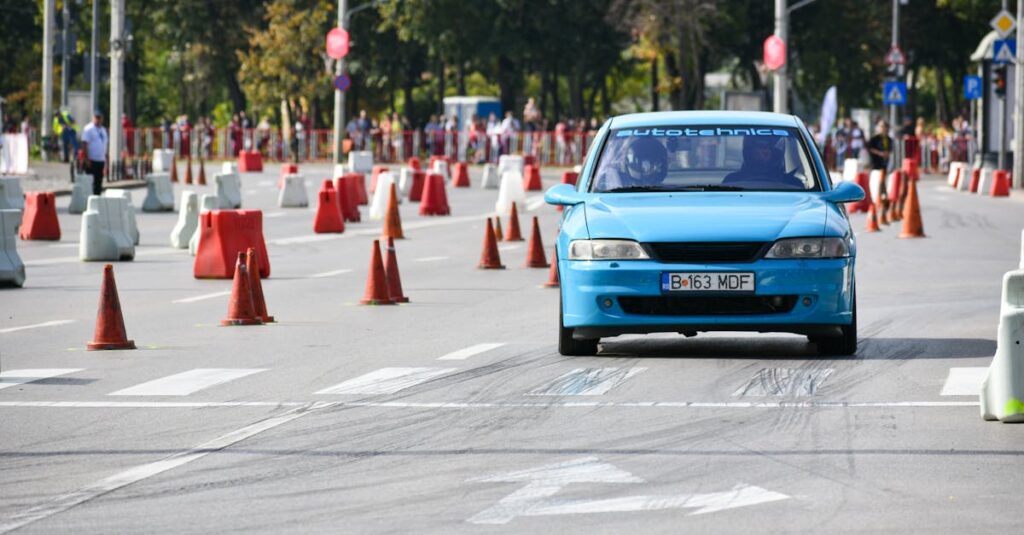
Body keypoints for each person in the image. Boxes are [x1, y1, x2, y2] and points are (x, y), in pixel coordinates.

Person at [723, 135, 805, 189]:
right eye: (758, 150)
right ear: (748, 153)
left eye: (766, 150)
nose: (762, 154)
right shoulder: (731, 181)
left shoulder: (794, 184)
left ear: (775, 153)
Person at [80, 113, 108, 196]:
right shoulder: (89, 129)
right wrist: (86, 158)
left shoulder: (103, 130)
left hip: (101, 160)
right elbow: (84, 144)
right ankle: (89, 199)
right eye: (97, 117)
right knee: (90, 183)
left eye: (100, 118)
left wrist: (106, 160)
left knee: (98, 183)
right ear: (93, 118)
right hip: (91, 160)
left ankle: (97, 199)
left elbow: (105, 145)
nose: (98, 120)